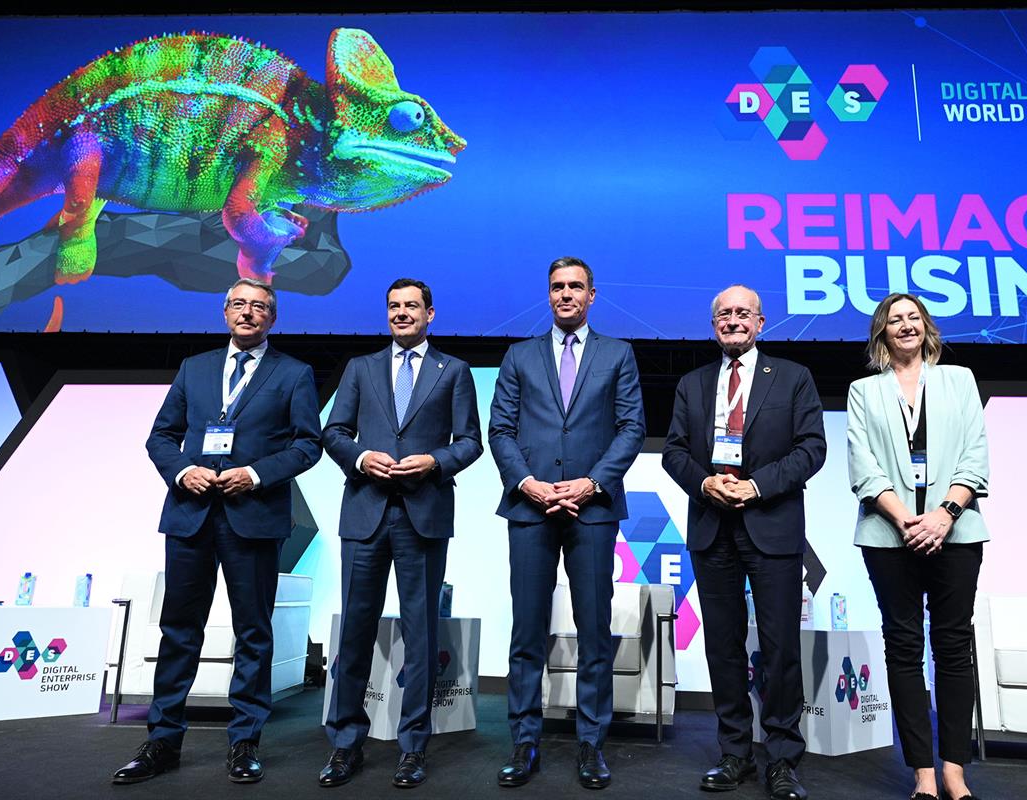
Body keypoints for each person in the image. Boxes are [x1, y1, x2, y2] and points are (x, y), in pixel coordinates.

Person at [114, 278, 322, 785]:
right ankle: (162, 741)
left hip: (252, 518)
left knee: (253, 633)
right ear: (225, 310)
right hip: (190, 515)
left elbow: (307, 445)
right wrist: (184, 471)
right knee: (178, 631)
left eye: (259, 307)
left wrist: (254, 474)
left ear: (272, 318)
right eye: (239, 304)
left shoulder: (294, 373)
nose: (248, 313)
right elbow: (160, 436)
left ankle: (245, 740)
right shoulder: (195, 368)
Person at [662, 284, 825, 800]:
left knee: (778, 648)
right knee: (724, 648)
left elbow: (811, 450)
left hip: (771, 525)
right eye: (723, 314)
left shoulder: (794, 378)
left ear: (760, 322)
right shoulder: (692, 383)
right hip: (713, 527)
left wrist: (756, 486)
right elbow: (674, 452)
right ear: (715, 325)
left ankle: (781, 758)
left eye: (742, 313)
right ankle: (735, 754)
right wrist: (705, 483)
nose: (732, 320)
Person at [318, 277, 482, 789]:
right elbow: (334, 432)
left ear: (431, 313)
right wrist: (362, 457)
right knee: (355, 632)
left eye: (411, 306)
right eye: (393, 306)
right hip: (365, 512)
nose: (401, 313)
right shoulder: (360, 368)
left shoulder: (453, 370)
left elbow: (472, 442)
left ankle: (413, 746)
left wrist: (434, 460)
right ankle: (347, 743)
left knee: (421, 633)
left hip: (424, 512)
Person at [488, 256, 645, 790]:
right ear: (547, 294)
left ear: (592, 295)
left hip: (593, 507)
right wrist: (527, 483)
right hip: (530, 506)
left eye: (576, 287)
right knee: (527, 630)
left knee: (594, 632)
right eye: (557, 287)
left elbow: (630, 428)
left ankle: (589, 743)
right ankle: (524, 741)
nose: (565, 295)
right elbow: (501, 430)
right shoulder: (518, 355)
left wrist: (590, 483)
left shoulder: (618, 354)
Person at [845, 293, 989, 800]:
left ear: (926, 328)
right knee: (902, 649)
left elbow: (975, 452)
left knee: (952, 648)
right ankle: (922, 774)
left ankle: (954, 770)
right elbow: (863, 465)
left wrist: (944, 515)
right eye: (894, 319)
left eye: (913, 317)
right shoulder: (864, 390)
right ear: (881, 333)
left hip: (956, 531)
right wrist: (909, 521)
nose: (905, 325)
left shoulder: (960, 380)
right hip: (890, 535)